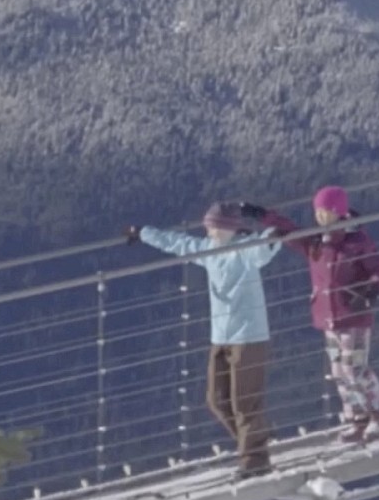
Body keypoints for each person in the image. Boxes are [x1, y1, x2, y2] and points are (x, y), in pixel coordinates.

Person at [125, 201, 293, 477]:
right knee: (217, 400)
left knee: (244, 402)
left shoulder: (246, 251)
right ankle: (254, 438)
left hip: (249, 337)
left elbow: (268, 243)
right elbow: (177, 243)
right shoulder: (208, 251)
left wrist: (272, 235)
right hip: (221, 336)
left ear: (228, 228)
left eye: (213, 226)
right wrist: (143, 233)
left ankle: (255, 460)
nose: (208, 231)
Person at [289, 186, 379, 443]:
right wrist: (264, 217)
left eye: (326, 212)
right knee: (339, 371)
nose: (320, 217)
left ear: (338, 212)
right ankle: (356, 418)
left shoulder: (356, 241)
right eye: (318, 212)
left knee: (354, 368)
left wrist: (370, 291)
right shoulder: (317, 241)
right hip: (329, 318)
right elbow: (289, 234)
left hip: (354, 317)